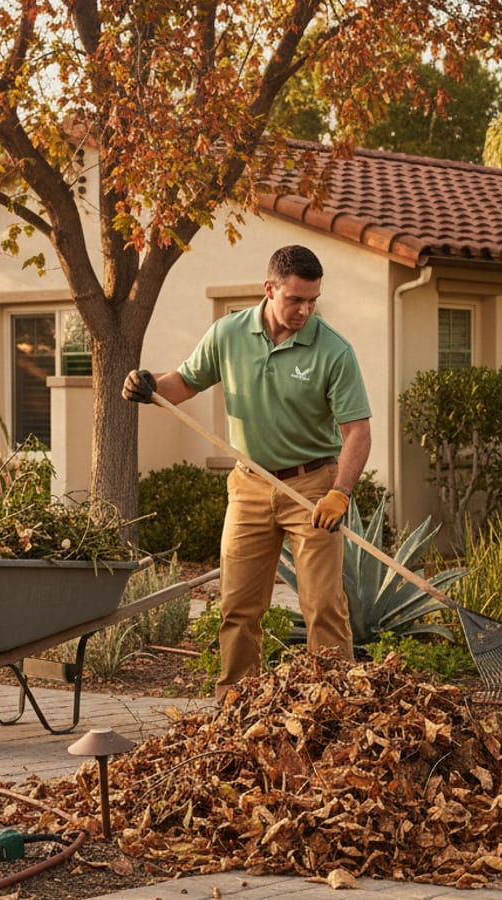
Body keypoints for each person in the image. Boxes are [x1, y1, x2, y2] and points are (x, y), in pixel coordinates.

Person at [123, 244, 372, 701]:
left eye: (312, 300)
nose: (304, 310)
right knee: (238, 605)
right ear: (269, 288)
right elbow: (184, 383)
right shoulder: (228, 334)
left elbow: (357, 431)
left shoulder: (333, 350)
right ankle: (234, 706)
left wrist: (340, 492)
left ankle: (333, 706)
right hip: (250, 484)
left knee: (322, 607)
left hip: (313, 485)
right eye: (295, 299)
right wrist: (150, 385)